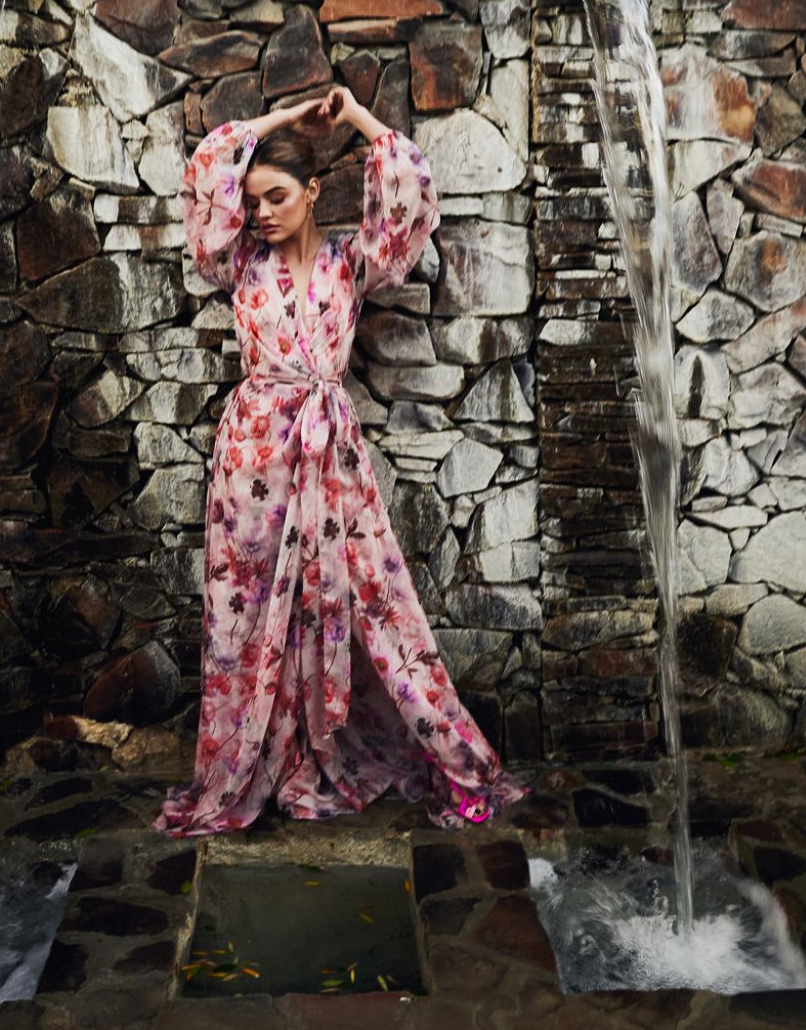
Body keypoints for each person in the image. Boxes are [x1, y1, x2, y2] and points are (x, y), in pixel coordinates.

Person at [152, 84, 531, 837]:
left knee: (380, 603)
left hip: (331, 456)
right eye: (254, 201)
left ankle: (431, 753)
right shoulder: (236, 261)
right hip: (253, 461)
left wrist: (353, 115)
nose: (262, 212)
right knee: (242, 620)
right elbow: (207, 168)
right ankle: (254, 764)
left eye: (277, 196)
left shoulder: (351, 264)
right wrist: (285, 118)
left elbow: (409, 190)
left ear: (314, 191)